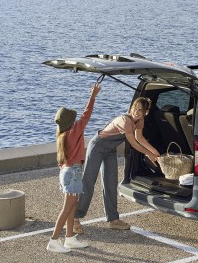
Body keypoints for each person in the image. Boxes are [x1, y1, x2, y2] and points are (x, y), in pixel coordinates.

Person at [77, 96, 161, 229]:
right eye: (135, 108)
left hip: (110, 150)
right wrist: (149, 154)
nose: (136, 112)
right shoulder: (125, 121)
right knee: (89, 182)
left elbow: (140, 138)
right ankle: (75, 217)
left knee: (111, 184)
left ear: (145, 112)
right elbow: (133, 143)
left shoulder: (140, 121)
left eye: (140, 110)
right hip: (97, 146)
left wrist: (154, 151)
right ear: (131, 108)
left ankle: (113, 220)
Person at [48, 82, 101, 253]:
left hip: (66, 172)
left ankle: (69, 238)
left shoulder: (61, 135)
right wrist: (92, 96)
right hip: (73, 173)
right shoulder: (73, 132)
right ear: (71, 122)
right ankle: (53, 240)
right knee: (66, 209)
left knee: (71, 207)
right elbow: (86, 114)